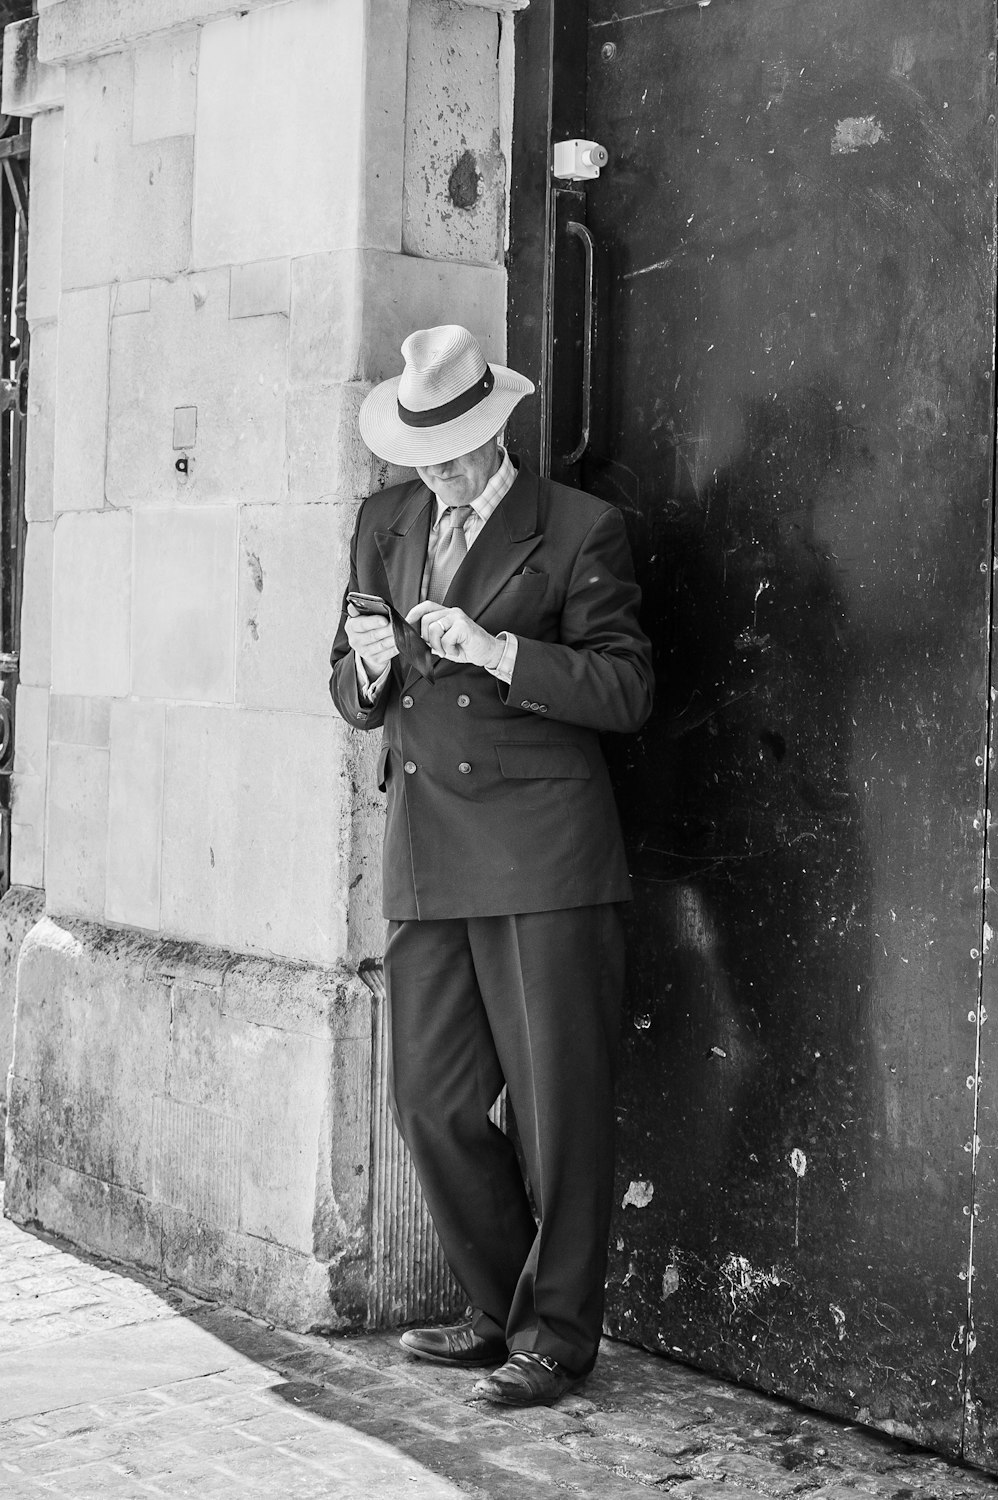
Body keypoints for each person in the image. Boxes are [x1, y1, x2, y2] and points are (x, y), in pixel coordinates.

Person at [329, 324, 654, 1406]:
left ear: (496, 425)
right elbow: (347, 680)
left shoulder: (577, 530)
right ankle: (499, 1298)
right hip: (427, 840)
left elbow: (624, 689)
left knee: (560, 1106)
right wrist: (367, 672)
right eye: (425, 455)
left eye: (460, 451)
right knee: (429, 1097)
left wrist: (498, 651)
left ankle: (556, 1334)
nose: (442, 474)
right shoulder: (384, 520)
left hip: (544, 851)